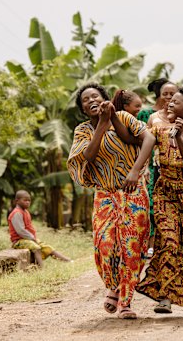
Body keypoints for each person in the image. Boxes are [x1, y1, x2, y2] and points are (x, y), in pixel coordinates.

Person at [68, 83, 155, 319]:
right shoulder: (83, 130)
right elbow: (87, 155)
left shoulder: (124, 117)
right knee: (105, 245)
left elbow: (148, 139)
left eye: (95, 96)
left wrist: (135, 171)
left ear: (105, 99)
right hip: (105, 194)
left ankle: (125, 302)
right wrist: (102, 124)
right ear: (83, 109)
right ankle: (113, 285)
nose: (91, 100)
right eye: (86, 100)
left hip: (133, 191)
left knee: (132, 247)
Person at [136, 86, 183, 317]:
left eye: (176, 102)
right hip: (166, 191)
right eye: (169, 102)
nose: (169, 104)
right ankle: (164, 296)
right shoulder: (158, 130)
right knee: (168, 242)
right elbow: (138, 141)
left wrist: (179, 138)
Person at [138, 79, 179, 257]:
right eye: (165, 94)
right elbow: (145, 143)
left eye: (172, 94)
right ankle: (153, 244)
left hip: (179, 169)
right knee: (154, 206)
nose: (168, 97)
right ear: (159, 95)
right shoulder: (151, 116)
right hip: (157, 168)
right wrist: (144, 167)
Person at [8, 190, 71, 268]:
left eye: (29, 200)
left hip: (28, 239)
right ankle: (41, 268)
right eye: (25, 200)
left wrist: (32, 238)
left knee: (47, 247)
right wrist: (32, 238)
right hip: (18, 241)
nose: (27, 202)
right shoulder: (16, 213)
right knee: (36, 247)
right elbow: (20, 230)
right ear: (17, 201)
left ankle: (68, 261)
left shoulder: (26, 212)